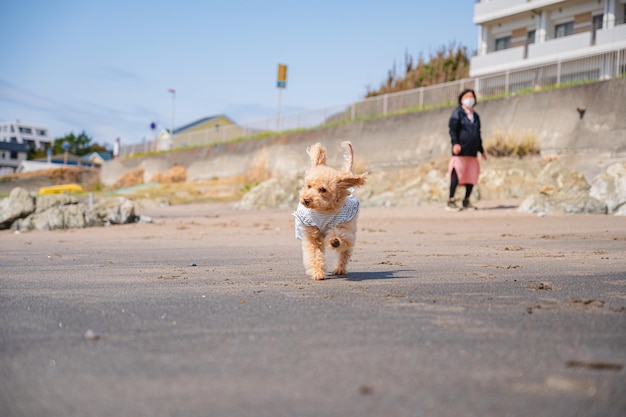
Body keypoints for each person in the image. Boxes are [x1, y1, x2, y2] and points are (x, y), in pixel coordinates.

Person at [447, 88, 487, 210]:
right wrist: (455, 143)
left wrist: (481, 150)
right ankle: (451, 200)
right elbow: (453, 130)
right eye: (467, 96)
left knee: (471, 175)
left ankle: (466, 200)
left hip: (472, 151)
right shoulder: (457, 113)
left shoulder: (475, 116)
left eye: (472, 96)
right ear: (461, 99)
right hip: (460, 150)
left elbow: (478, 134)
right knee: (457, 173)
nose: (470, 99)